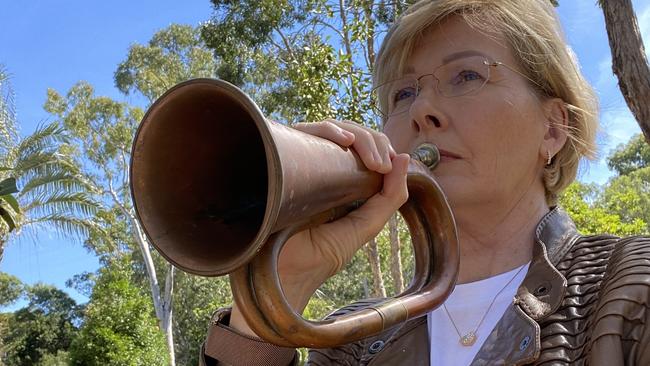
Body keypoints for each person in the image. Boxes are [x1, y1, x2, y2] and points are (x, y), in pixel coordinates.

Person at [200, 0, 650, 364]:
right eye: (403, 93)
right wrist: (274, 298)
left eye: (467, 75)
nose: (421, 111)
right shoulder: (351, 343)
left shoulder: (631, 285)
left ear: (552, 128)